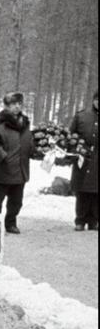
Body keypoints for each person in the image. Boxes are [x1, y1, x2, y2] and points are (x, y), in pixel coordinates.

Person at [0, 92, 33, 235]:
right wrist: (4, 156)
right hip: (2, 170)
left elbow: (28, 141)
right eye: (13, 104)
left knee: (16, 202)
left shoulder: (25, 122)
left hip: (20, 169)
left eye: (19, 103)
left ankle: (11, 223)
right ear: (6, 106)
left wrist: (34, 149)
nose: (17, 107)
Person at [69, 90, 98, 230]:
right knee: (82, 190)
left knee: (96, 191)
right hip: (83, 158)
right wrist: (76, 148)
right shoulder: (81, 116)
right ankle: (80, 220)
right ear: (93, 100)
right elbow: (71, 136)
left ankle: (94, 221)